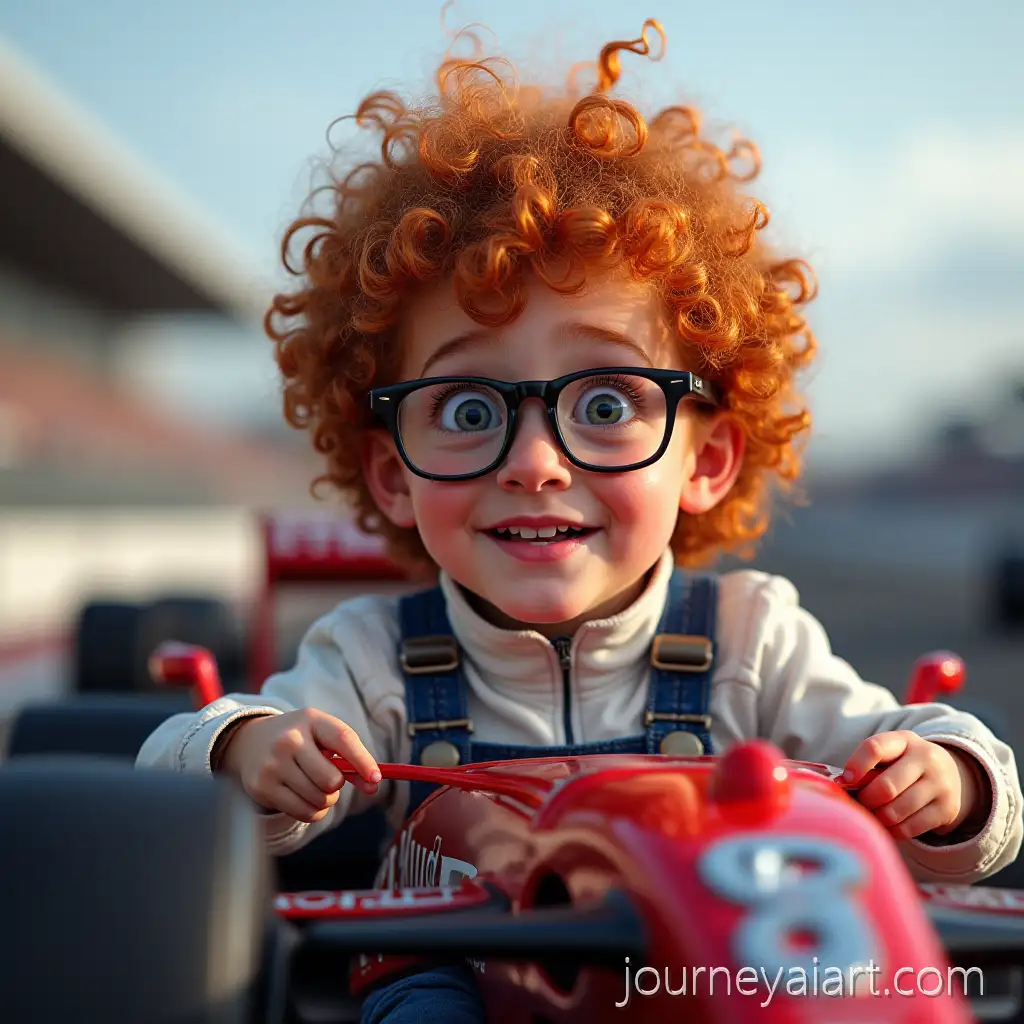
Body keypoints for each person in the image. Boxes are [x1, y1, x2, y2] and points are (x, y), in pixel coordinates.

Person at [136, 16, 1022, 1022]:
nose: (534, 461)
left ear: (708, 458)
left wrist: (946, 780)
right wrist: (246, 751)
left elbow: (954, 770)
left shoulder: (750, 637)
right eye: (470, 411)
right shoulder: (370, 655)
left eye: (604, 404)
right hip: (448, 972)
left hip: (702, 973)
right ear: (391, 474)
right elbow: (166, 782)